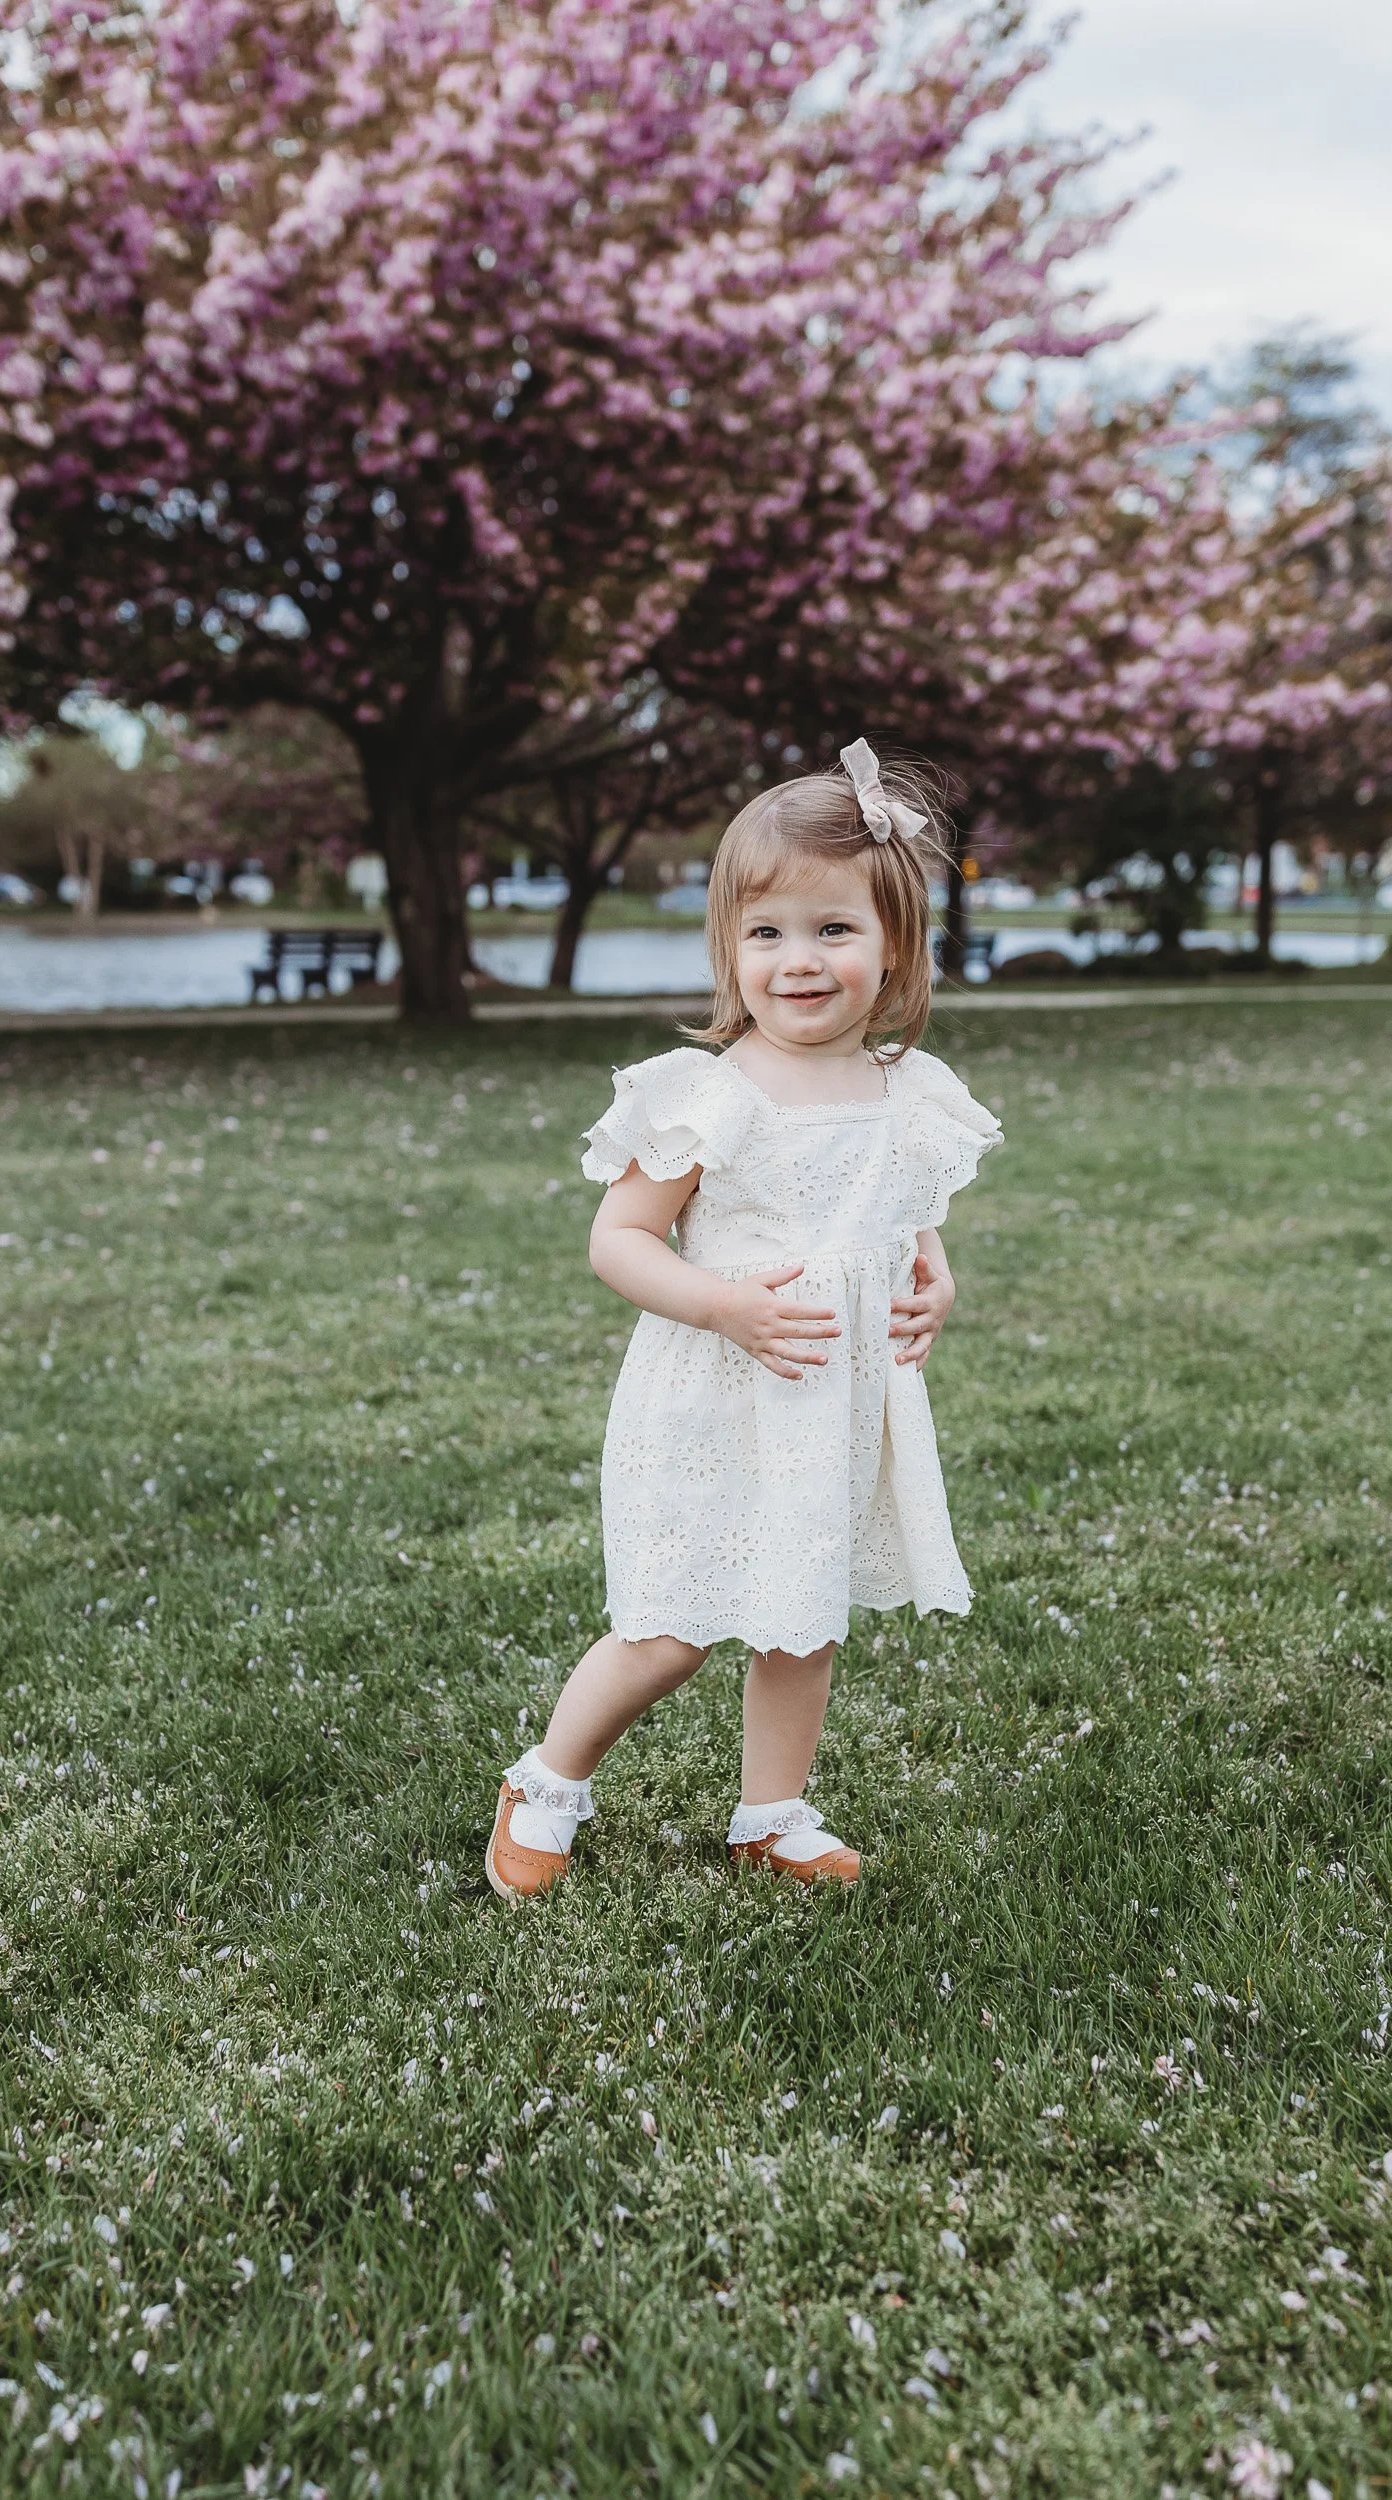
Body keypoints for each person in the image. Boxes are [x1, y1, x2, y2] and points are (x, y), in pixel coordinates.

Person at [485, 740, 1004, 1898]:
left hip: (828, 1404)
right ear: (729, 946)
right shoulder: (712, 1093)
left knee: (802, 1618)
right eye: (765, 933)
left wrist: (934, 1279)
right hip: (715, 1400)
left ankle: (771, 1813)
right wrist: (721, 1303)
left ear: (895, 947)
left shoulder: (906, 1091)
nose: (798, 960)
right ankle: (547, 1777)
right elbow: (618, 1241)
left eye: (833, 930)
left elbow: (903, 1216)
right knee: (671, 1625)